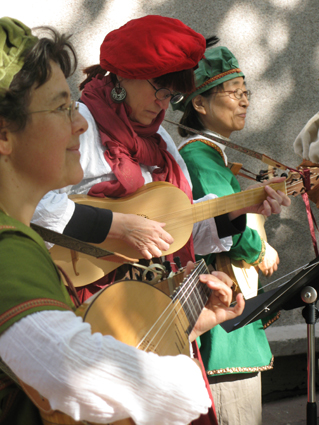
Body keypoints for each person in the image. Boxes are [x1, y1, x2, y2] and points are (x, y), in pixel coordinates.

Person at [0, 17, 247, 425]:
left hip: (144, 321)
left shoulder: (22, 248)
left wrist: (183, 321)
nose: (78, 122)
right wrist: (179, 384)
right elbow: (71, 373)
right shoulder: (10, 252)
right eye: (62, 108)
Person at [32, 15, 291, 306]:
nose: (164, 104)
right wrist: (117, 226)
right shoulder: (77, 125)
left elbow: (176, 231)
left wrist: (238, 209)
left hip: (150, 302)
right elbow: (31, 205)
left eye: (172, 95)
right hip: (76, 299)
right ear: (123, 75)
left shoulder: (161, 143)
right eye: (160, 89)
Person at [175, 46, 291, 425]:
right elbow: (228, 221)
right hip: (220, 309)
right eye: (233, 91)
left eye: (246, 92)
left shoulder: (212, 155)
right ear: (201, 104)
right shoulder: (199, 157)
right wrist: (261, 248)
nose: (244, 101)